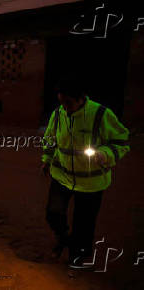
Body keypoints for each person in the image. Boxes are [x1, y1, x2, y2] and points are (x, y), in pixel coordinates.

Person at [41, 78, 130, 268]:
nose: (65, 107)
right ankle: (63, 237)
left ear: (81, 98)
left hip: (91, 183)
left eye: (69, 103)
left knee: (84, 224)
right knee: (53, 213)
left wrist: (106, 154)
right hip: (61, 176)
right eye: (62, 102)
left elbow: (122, 141)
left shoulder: (101, 114)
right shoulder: (58, 114)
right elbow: (49, 140)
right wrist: (46, 161)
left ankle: (77, 255)